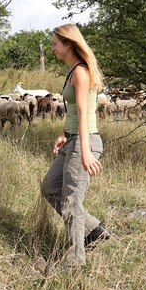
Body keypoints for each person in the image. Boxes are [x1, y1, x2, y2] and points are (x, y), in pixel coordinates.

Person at [41, 23, 111, 269]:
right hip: (72, 138)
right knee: (50, 187)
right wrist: (63, 133)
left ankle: (73, 262)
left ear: (68, 44)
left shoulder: (81, 72)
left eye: (54, 44)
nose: (52, 49)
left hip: (84, 140)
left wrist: (85, 152)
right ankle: (94, 230)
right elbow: (71, 110)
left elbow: (84, 112)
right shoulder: (71, 71)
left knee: (71, 201)